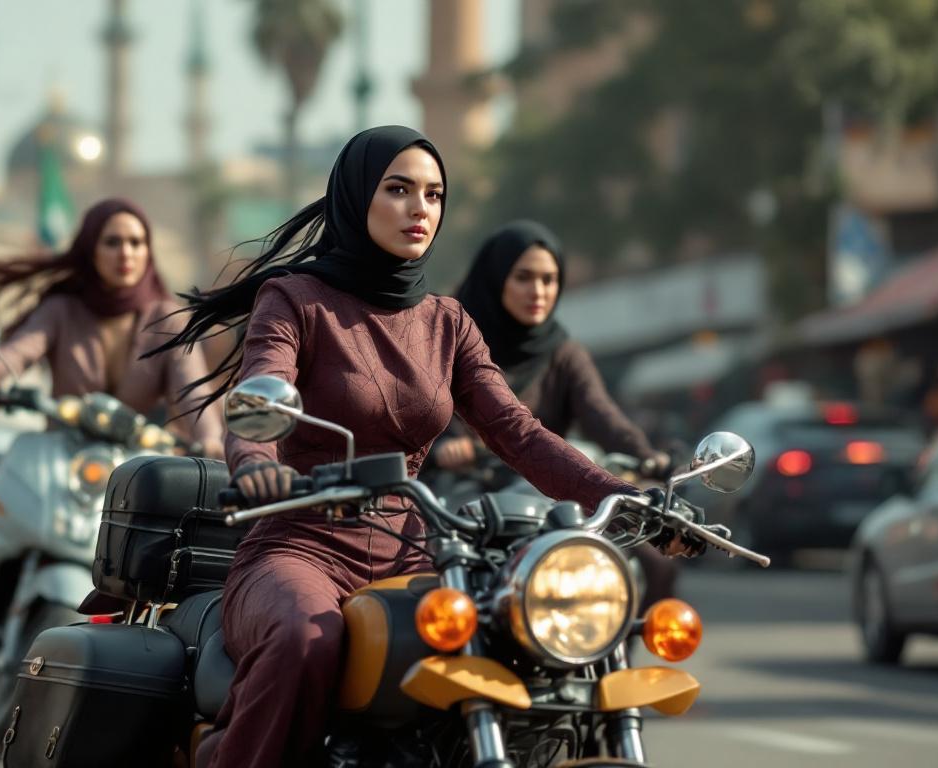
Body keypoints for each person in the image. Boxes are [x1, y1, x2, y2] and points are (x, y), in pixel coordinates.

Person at [153, 125, 643, 768]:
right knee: (309, 640)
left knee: (521, 637)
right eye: (399, 189)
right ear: (358, 198)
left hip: (416, 552)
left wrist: (627, 496)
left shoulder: (448, 321)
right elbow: (260, 390)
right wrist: (255, 463)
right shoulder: (296, 299)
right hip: (298, 546)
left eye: (435, 195)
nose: (420, 209)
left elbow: (518, 432)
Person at [434, 221, 679, 607]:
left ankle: (616, 659)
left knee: (651, 561)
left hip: (547, 490)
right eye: (524, 278)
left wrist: (647, 455)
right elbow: (427, 405)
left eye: (549, 279)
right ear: (495, 279)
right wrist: (448, 444)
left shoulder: (563, 352)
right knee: (428, 574)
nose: (539, 292)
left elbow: (602, 415)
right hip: (460, 491)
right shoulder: (453, 337)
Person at [0, 198, 223, 453]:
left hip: (136, 469)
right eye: (112, 242)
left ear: (148, 252)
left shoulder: (169, 319)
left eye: (136, 243)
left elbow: (193, 390)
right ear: (91, 250)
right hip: (59, 457)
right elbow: (19, 351)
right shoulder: (61, 310)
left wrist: (210, 438)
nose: (126, 253)